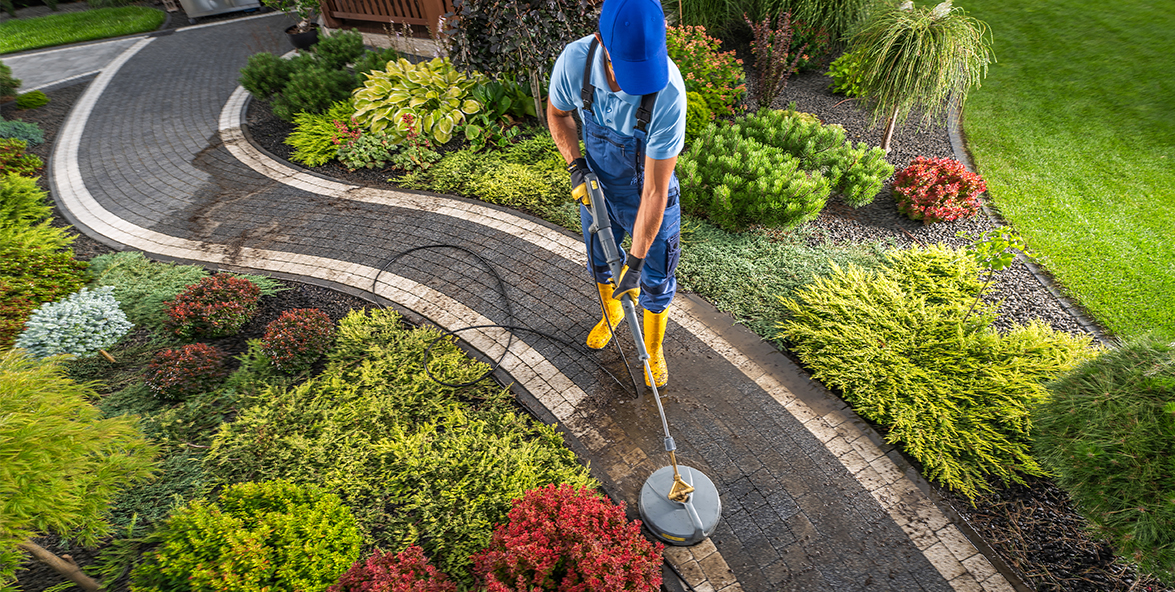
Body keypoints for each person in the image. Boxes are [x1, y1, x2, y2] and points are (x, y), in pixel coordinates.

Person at [547, 0, 687, 388]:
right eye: (625, 70)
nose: (633, 84)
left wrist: (637, 263)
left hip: (648, 192)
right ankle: (613, 314)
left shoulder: (669, 92)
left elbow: (657, 190)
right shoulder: (575, 62)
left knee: (656, 277)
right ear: (601, 42)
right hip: (599, 186)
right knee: (601, 261)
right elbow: (558, 115)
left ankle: (653, 348)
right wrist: (576, 165)